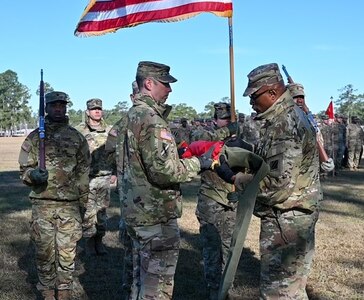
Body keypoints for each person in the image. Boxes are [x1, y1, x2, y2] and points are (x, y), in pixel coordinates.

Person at [119, 61, 214, 299]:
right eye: (165, 84)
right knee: (156, 287)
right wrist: (199, 163)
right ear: (149, 84)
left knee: (141, 281)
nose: (169, 90)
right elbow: (162, 170)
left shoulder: (131, 115)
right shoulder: (151, 119)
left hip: (137, 210)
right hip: (155, 215)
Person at [239, 63, 321, 299]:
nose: (251, 102)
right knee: (292, 290)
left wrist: (241, 181)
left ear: (273, 92)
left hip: (286, 220)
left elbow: (277, 185)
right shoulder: (286, 118)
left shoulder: (284, 123)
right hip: (293, 218)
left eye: (255, 96)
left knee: (279, 292)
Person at [18, 91, 90, 300]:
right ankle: (48, 291)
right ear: (46, 108)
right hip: (43, 203)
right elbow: (24, 169)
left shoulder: (76, 137)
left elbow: (84, 172)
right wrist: (33, 175)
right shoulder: (34, 138)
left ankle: (64, 290)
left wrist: (83, 202)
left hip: (69, 204)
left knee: (67, 252)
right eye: (54, 105)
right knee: (44, 252)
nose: (58, 109)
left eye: (62, 105)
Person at [190, 102, 248, 299]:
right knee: (212, 248)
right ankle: (214, 289)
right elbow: (199, 147)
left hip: (232, 200)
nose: (228, 124)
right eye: (224, 120)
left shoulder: (239, 140)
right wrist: (225, 133)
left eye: (232, 120)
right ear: (215, 120)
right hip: (211, 199)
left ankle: (226, 288)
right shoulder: (203, 135)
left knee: (229, 247)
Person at [104, 81, 139, 297]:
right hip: (129, 193)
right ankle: (129, 287)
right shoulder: (121, 124)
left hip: (142, 194)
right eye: (136, 94)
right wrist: (124, 168)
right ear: (132, 96)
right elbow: (109, 152)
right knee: (131, 246)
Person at [76, 98, 113, 256]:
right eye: (93, 109)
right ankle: (89, 242)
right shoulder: (79, 131)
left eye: (99, 109)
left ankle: (100, 240)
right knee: (88, 212)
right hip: (87, 178)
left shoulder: (110, 130)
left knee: (102, 211)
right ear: (87, 112)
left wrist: (116, 173)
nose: (97, 111)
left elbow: (115, 153)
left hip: (105, 177)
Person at [287, 83, 335, 173]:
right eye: (296, 97)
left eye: (302, 97)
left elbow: (318, 140)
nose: (300, 100)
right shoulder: (284, 120)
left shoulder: (308, 119)